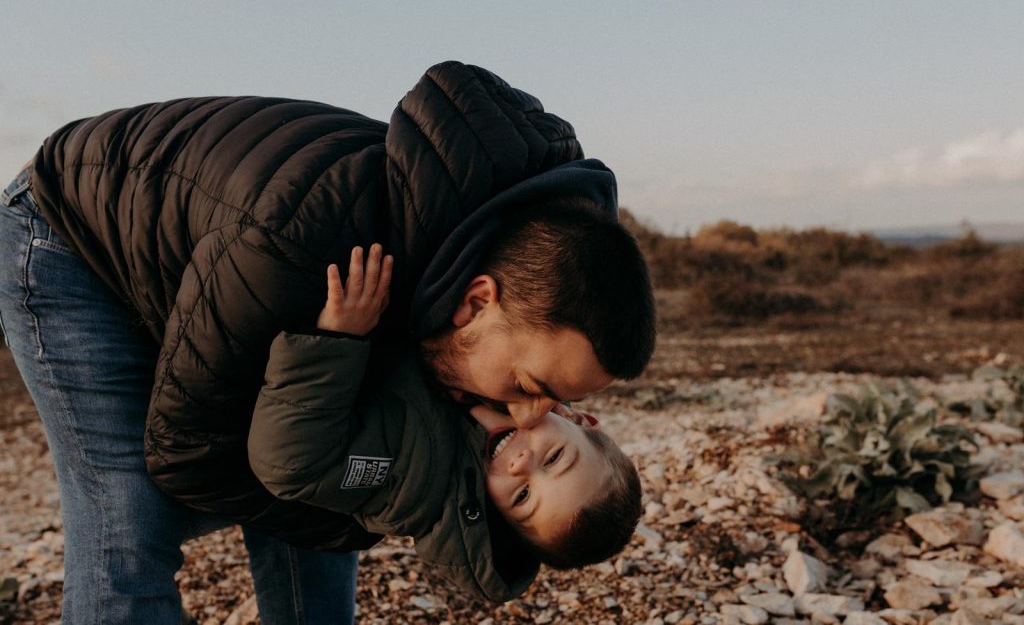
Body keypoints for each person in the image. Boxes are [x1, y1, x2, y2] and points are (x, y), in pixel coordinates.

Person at [0, 61, 656, 623]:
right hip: (64, 238)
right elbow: (188, 454)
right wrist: (359, 509)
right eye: (529, 386)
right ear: (476, 302)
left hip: (209, 274)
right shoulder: (309, 244)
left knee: (311, 489)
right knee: (126, 513)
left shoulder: (471, 254)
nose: (524, 415)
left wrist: (354, 482)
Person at [246, 246, 642, 602]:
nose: (522, 466)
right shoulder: (514, 379)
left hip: (230, 440)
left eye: (522, 497)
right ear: (576, 417)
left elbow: (294, 464)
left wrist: (336, 340)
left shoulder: (419, 490)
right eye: (554, 458)